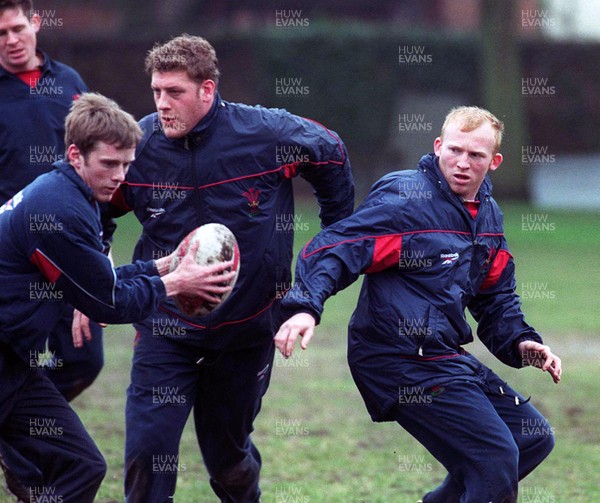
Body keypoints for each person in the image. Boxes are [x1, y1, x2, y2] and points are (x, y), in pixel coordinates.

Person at [99, 34, 354, 503]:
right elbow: (96, 202)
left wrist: (335, 236)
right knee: (147, 451)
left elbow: (331, 152)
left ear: (208, 90)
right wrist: (93, 266)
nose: (162, 105)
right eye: (156, 92)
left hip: (246, 334)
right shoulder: (140, 146)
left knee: (227, 459)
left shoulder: (267, 134)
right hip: (166, 329)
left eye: (174, 92)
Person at [275, 106, 561, 503]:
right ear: (438, 146)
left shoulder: (488, 218)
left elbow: (495, 298)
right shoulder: (406, 199)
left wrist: (521, 342)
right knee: (495, 456)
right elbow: (338, 248)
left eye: (476, 156)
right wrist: (306, 305)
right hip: (393, 356)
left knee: (531, 440)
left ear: (494, 162)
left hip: (439, 355)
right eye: (455, 150)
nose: (462, 163)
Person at [0, 92, 235, 503]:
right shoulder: (57, 208)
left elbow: (101, 280)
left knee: (81, 466)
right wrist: (178, 283)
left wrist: (165, 265)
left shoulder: (74, 196)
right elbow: (107, 303)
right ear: (75, 155)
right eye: (109, 164)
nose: (119, 177)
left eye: (126, 165)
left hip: (14, 365)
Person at [0, 0, 103, 402]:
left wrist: (102, 234)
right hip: (13, 257)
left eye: (18, 28)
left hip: (67, 242)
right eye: (0, 34)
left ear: (37, 23)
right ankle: (27, 450)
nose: (11, 40)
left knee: (84, 358)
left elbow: (97, 158)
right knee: (13, 361)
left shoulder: (69, 82)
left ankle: (25, 434)